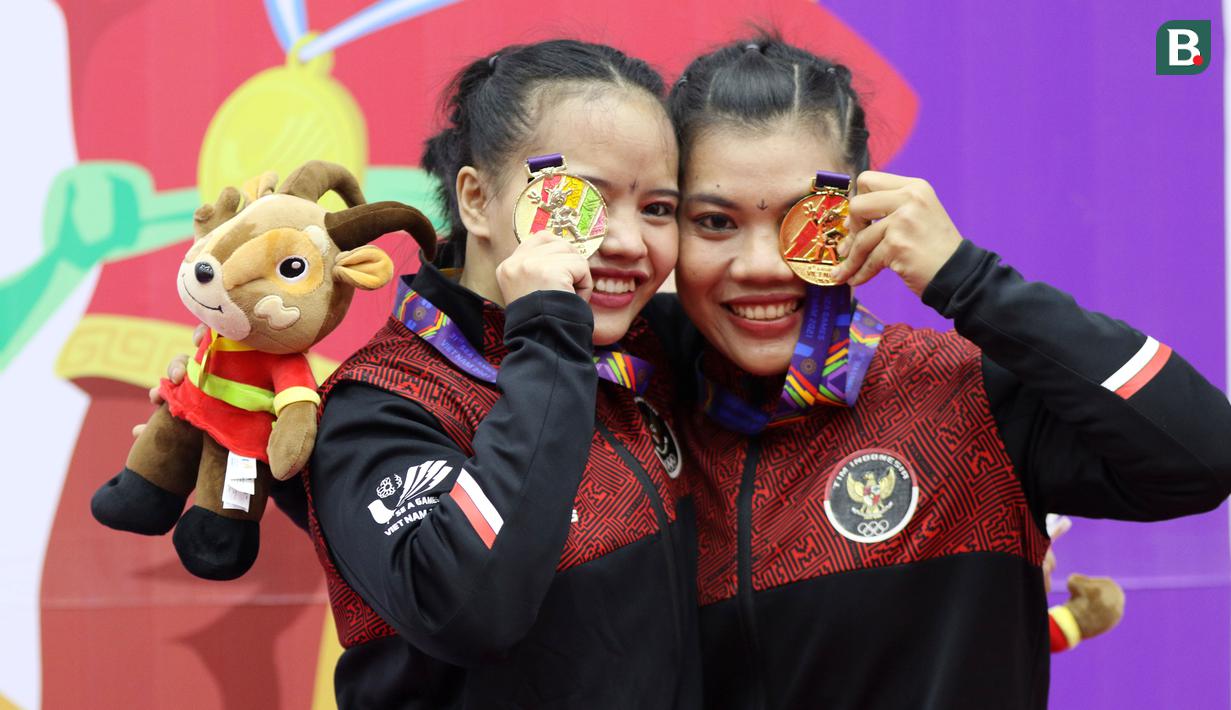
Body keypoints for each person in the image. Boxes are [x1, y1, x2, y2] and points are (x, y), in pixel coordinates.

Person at [659, 36, 1231, 709]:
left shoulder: (969, 400)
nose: (760, 265)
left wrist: (969, 278)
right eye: (714, 221)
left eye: (802, 219)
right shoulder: (635, 415)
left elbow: (1204, 454)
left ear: (864, 211)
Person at [304, 40, 699, 709]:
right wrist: (548, 336)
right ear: (477, 199)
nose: (630, 243)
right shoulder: (378, 403)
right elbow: (467, 609)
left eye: (658, 208)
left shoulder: (653, 348)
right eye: (578, 199)